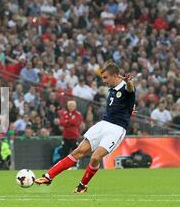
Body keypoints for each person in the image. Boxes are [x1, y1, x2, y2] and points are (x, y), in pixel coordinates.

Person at [35, 61, 135, 193]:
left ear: (115, 75)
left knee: (95, 157)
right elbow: (123, 103)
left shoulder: (125, 87)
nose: (104, 81)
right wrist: (129, 109)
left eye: (105, 77)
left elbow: (130, 89)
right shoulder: (112, 89)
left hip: (116, 129)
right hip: (103, 124)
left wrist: (128, 82)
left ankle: (82, 185)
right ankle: (48, 177)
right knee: (78, 151)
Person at [58, 100, 83, 167]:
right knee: (64, 151)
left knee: (75, 151)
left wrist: (67, 122)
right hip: (66, 136)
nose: (71, 107)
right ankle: (63, 166)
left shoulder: (78, 114)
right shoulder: (64, 113)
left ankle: (75, 165)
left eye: (72, 106)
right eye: (69, 106)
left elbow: (77, 122)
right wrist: (71, 121)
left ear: (75, 106)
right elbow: (61, 122)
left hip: (74, 136)